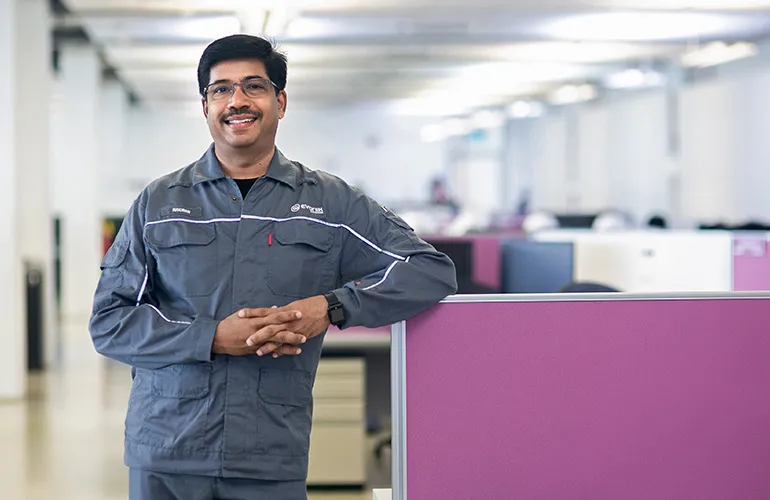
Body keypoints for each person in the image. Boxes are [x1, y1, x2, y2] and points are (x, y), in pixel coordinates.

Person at [88, 34, 457, 500]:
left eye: (253, 86)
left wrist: (330, 307)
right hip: (167, 448)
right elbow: (111, 321)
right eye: (220, 89)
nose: (236, 101)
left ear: (280, 102)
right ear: (205, 106)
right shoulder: (159, 203)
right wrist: (214, 337)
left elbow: (427, 268)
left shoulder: (329, 202)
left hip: (268, 450)